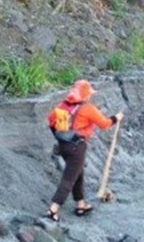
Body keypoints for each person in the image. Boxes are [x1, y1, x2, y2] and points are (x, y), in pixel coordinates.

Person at [45, 79, 123, 222]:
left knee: (77, 173)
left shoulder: (62, 106)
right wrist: (116, 118)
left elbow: (50, 121)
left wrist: (61, 136)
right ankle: (53, 209)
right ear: (86, 94)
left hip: (63, 145)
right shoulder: (87, 108)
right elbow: (104, 124)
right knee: (69, 178)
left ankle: (80, 204)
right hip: (77, 147)